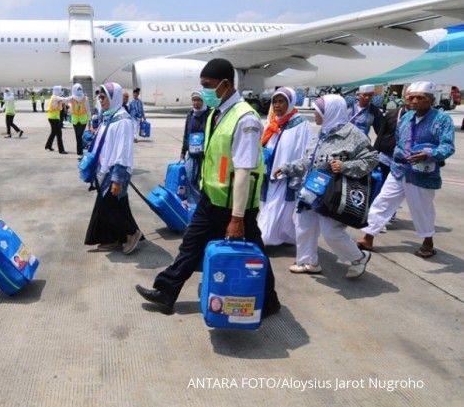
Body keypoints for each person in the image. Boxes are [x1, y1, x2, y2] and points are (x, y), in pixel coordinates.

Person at [135, 58, 280, 316]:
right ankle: (166, 292)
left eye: (208, 85)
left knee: (253, 249)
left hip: (234, 205)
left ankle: (268, 302)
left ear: (225, 84)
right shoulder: (217, 112)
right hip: (211, 198)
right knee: (190, 245)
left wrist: (237, 218)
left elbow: (244, 171)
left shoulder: (245, 119)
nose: (204, 91)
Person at [275, 94, 378, 277]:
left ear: (331, 112)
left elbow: (371, 160)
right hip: (312, 190)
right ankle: (308, 262)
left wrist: (345, 166)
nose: (315, 115)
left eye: (318, 111)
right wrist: (286, 168)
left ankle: (359, 257)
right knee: (304, 224)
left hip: (332, 193)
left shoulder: (353, 135)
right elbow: (308, 161)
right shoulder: (322, 133)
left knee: (331, 232)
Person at [357, 81, 455, 258]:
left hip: (422, 173)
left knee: (421, 208)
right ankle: (368, 237)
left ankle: (428, 242)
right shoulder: (407, 117)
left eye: (420, 98)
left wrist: (428, 153)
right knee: (383, 201)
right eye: (412, 97)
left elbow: (448, 146)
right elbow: (398, 139)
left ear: (431, 99)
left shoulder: (442, 119)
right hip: (399, 169)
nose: (415, 101)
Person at [84, 82, 142, 254]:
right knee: (115, 206)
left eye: (104, 97)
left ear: (113, 98)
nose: (101, 100)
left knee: (108, 207)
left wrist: (117, 178)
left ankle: (132, 233)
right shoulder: (109, 116)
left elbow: (123, 151)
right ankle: (112, 238)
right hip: (104, 169)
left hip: (115, 171)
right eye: (99, 97)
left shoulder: (123, 121)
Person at [257, 87, 312, 246]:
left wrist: (293, 170)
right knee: (271, 206)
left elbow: (304, 150)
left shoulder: (300, 124)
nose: (277, 105)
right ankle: (284, 236)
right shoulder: (273, 122)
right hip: (269, 172)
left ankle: (265, 238)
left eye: (281, 101)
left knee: (277, 207)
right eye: (275, 101)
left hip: (285, 175)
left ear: (290, 102)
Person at [180, 91, 210, 204]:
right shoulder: (190, 114)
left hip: (203, 156)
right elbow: (186, 134)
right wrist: (183, 151)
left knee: (201, 182)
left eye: (199, 100)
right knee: (189, 178)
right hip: (191, 155)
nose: (196, 103)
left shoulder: (208, 115)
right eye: (194, 100)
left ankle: (198, 205)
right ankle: (192, 205)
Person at [45, 86, 67, 154]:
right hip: (54, 118)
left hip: (53, 117)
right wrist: (72, 97)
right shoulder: (55, 97)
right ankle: (61, 150)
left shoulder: (55, 97)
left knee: (53, 133)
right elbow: (63, 100)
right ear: (57, 90)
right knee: (59, 134)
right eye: (60, 90)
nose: (61, 91)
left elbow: (60, 106)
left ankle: (48, 146)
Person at [70, 83, 89, 156]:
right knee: (77, 136)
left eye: (80, 89)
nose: (79, 90)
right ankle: (79, 151)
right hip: (75, 120)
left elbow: (88, 109)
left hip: (83, 120)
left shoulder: (85, 98)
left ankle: (80, 151)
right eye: (78, 89)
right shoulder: (71, 98)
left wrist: (89, 119)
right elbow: (64, 100)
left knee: (80, 135)